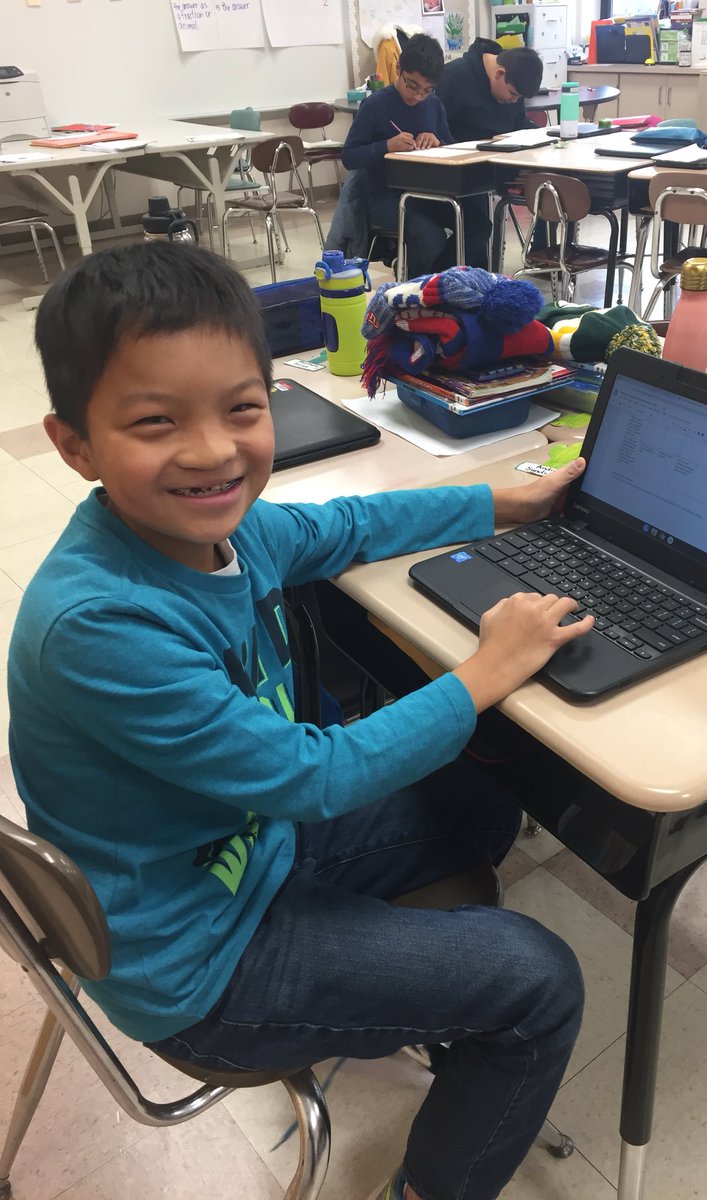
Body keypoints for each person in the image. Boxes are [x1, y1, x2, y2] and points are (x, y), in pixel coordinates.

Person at [8, 242, 592, 1200]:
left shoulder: (223, 530)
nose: (211, 451)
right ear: (74, 445)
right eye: (156, 423)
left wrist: (502, 501)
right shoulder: (100, 624)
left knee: (477, 806)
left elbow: (349, 526)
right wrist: (485, 670)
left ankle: (395, 987)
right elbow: (317, 776)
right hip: (201, 967)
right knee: (538, 980)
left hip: (245, 853)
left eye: (242, 409)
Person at [342, 33, 455, 278]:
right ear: (398, 68)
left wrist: (438, 142)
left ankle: (442, 282)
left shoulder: (433, 105)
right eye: (412, 85)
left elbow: (451, 147)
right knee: (429, 238)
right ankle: (408, 289)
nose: (417, 96)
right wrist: (386, 146)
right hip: (385, 199)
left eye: (427, 90)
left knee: (474, 221)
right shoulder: (375, 105)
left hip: (427, 193)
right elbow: (350, 156)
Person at [435, 40, 544, 270]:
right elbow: (435, 129)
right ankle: (458, 280)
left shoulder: (513, 80)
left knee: (548, 186)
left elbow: (518, 123)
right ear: (499, 73)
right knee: (478, 226)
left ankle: (544, 260)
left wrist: (539, 136)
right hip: (456, 172)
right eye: (513, 94)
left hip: (497, 166)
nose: (513, 101)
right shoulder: (455, 77)